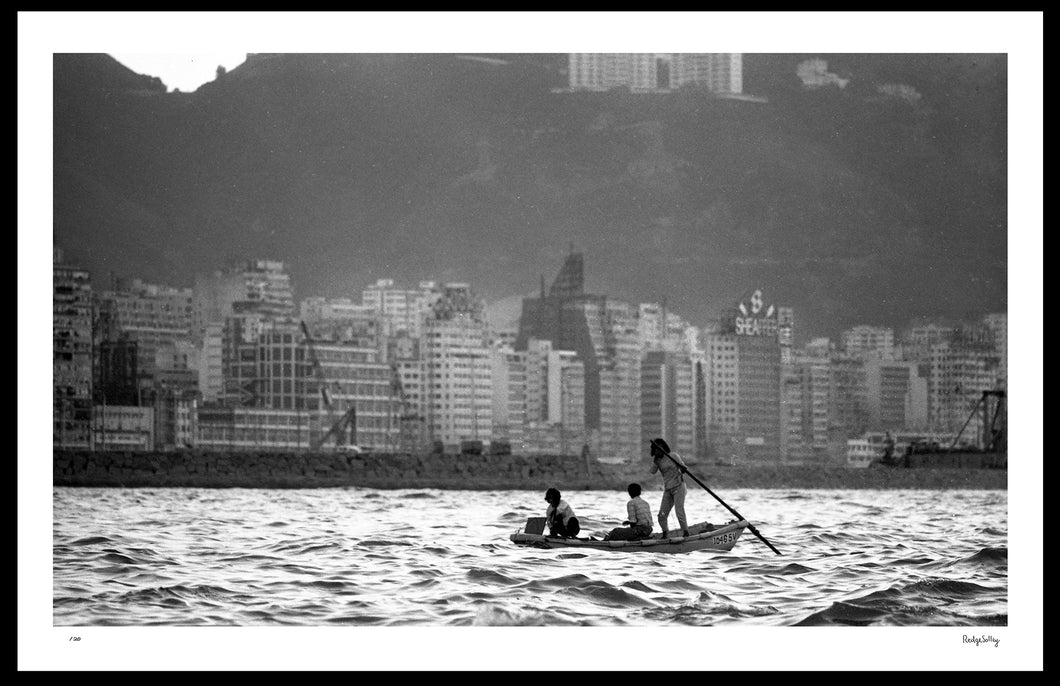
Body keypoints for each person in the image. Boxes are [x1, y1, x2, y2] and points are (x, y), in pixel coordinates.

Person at [649, 438, 689, 539]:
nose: (658, 450)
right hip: (668, 489)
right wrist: (655, 461)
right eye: (656, 449)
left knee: (679, 511)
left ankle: (686, 532)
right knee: (661, 515)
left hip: (679, 486)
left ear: (663, 447)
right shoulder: (657, 460)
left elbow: (683, 468)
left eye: (659, 448)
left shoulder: (673, 456)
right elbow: (652, 471)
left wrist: (683, 468)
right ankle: (665, 533)